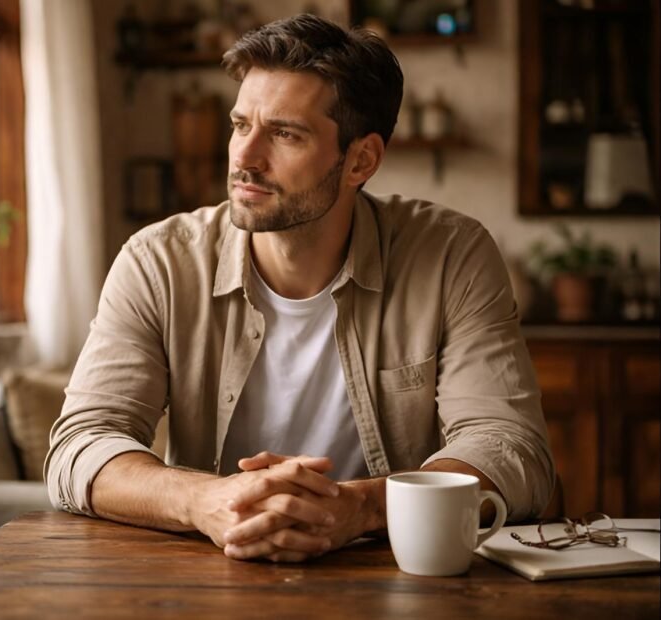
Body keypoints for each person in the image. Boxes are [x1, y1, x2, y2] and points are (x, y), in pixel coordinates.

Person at [45, 14, 554, 563]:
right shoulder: (158, 262)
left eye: (284, 133)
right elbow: (81, 445)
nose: (245, 157)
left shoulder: (452, 255)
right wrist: (205, 499)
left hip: (392, 579)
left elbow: (511, 450)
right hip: (207, 577)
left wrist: (361, 508)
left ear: (362, 160)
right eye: (241, 125)